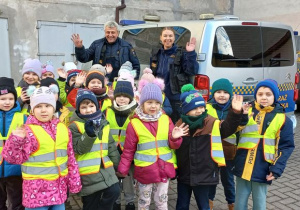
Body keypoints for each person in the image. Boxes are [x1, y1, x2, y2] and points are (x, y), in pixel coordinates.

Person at [2, 86, 82, 209]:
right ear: (32, 110)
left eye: (47, 106)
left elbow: (70, 158)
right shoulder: (28, 131)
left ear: (53, 108)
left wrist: (74, 181)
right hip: (36, 195)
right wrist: (15, 140)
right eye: (38, 106)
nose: (43, 110)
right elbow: (12, 158)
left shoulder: (63, 129)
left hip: (59, 192)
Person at [117, 79, 188, 210]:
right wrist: (122, 169)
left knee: (162, 201)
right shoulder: (134, 124)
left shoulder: (166, 119)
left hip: (164, 169)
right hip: (145, 171)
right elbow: (128, 151)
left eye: (157, 103)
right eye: (149, 102)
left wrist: (175, 138)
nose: (153, 106)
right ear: (142, 103)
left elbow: (174, 146)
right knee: (144, 202)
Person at [175, 84, 244, 210]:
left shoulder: (211, 122)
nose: (200, 110)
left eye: (202, 106)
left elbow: (227, 128)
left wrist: (235, 112)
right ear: (185, 109)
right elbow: (174, 147)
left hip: (204, 174)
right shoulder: (179, 125)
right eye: (195, 107)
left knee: (204, 205)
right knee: (181, 205)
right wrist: (173, 138)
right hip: (184, 174)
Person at [233, 79, 294, 210]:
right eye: (260, 94)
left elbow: (286, 146)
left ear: (275, 96)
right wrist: (239, 114)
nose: (264, 97)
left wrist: (277, 168)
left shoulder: (283, 119)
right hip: (243, 164)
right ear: (255, 96)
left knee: (259, 204)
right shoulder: (247, 110)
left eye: (268, 94)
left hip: (263, 167)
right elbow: (234, 131)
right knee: (239, 203)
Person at [69, 89, 120, 210]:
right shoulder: (74, 126)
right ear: (78, 109)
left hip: (105, 168)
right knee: (91, 203)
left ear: (96, 106)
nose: (88, 110)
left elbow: (111, 146)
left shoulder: (103, 123)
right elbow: (79, 149)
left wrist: (119, 165)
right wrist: (89, 135)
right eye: (84, 107)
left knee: (115, 191)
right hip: (88, 173)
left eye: (91, 106)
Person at [206, 78, 249, 210]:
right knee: (211, 180)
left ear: (230, 95)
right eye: (218, 91)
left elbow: (242, 124)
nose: (222, 95)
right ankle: (209, 203)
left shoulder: (235, 108)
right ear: (213, 94)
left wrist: (244, 115)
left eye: (225, 92)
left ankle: (232, 203)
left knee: (228, 180)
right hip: (211, 151)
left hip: (228, 153)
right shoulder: (207, 107)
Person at [150, 27, 199, 123]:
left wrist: (191, 53)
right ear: (160, 38)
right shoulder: (156, 54)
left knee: (178, 125)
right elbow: (152, 73)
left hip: (176, 99)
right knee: (162, 125)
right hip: (160, 98)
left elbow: (192, 71)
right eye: (165, 36)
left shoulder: (181, 53)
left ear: (174, 38)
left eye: (170, 36)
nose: (167, 38)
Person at [104, 81, 138, 210]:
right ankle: (116, 202)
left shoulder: (136, 112)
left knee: (129, 179)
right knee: (114, 180)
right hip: (112, 153)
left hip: (129, 154)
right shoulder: (108, 111)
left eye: (125, 96)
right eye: (119, 96)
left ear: (130, 97)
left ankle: (130, 202)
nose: (122, 99)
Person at [71, 21, 140, 82]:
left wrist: (131, 79)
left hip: (120, 82)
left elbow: (136, 66)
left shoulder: (126, 46)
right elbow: (84, 58)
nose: (110, 35)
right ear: (105, 32)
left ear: (118, 33)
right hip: (100, 82)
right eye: (108, 32)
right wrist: (79, 48)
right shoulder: (97, 44)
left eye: (113, 32)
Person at [0, 77, 26, 210]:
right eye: (2, 99)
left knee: (17, 203)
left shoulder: (22, 117)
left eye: (10, 99)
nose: (7, 102)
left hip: (15, 170)